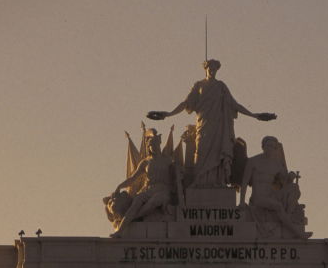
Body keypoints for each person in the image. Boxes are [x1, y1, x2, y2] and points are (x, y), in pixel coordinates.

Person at [147, 59, 276, 188]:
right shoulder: (199, 86)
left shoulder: (221, 87)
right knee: (201, 151)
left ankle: (218, 182)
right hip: (203, 125)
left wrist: (254, 115)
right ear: (206, 69)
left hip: (219, 127)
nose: (212, 70)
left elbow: (234, 104)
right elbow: (186, 103)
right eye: (210, 68)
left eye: (215, 68)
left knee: (218, 153)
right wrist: (169, 114)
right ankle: (200, 182)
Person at [108, 133, 172, 232]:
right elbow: (133, 178)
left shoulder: (167, 160)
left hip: (162, 190)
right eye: (151, 145)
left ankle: (133, 218)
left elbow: (176, 176)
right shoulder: (145, 162)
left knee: (153, 202)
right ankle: (120, 230)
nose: (153, 147)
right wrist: (120, 186)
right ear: (148, 147)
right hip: (148, 190)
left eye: (155, 144)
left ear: (159, 144)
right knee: (136, 203)